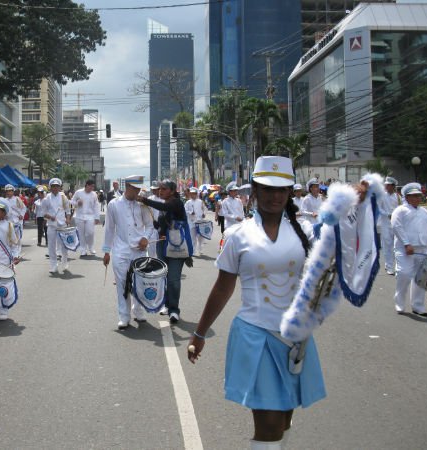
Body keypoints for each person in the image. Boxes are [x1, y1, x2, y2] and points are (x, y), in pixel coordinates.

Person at [187, 156, 324, 450]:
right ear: (255, 191)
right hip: (256, 337)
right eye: (268, 189)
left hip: (295, 339)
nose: (275, 196)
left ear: (289, 193)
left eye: (281, 189)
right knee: (269, 423)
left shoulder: (305, 232)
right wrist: (199, 333)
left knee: (284, 418)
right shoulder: (237, 235)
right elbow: (223, 287)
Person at [102, 175, 154, 329]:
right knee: (122, 284)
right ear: (127, 187)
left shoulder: (142, 204)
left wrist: (145, 237)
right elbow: (109, 229)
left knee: (139, 282)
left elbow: (150, 225)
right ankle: (124, 316)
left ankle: (138, 310)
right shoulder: (114, 204)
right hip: (121, 250)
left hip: (139, 250)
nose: (137, 192)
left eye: (139, 189)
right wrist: (106, 251)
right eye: (135, 189)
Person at [139, 179, 190, 324]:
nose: (160, 191)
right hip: (162, 245)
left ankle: (174, 310)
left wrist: (144, 200)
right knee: (164, 277)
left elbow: (165, 207)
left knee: (174, 280)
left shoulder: (176, 203)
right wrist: (158, 226)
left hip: (177, 247)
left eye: (164, 189)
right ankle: (167, 305)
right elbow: (162, 225)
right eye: (159, 188)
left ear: (172, 191)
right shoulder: (166, 204)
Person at [391, 182, 427, 317]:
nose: (417, 198)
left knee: (421, 278)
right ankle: (399, 303)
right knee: (404, 273)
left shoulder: (424, 212)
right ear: (407, 197)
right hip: (405, 248)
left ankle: (417, 306)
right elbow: (396, 227)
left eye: (418, 195)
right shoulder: (400, 210)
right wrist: (406, 243)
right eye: (414, 196)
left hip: (422, 248)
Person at [40, 178, 71, 273]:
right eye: (53, 186)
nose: (55, 188)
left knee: (64, 245)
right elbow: (43, 213)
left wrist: (68, 219)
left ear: (59, 187)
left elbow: (68, 210)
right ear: (50, 187)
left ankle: (64, 262)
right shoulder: (46, 198)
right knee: (51, 246)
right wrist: (50, 217)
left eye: (57, 186)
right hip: (51, 225)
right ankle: (53, 265)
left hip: (62, 224)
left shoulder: (63, 197)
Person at [379, 177, 402, 275]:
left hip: (396, 224)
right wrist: (387, 214)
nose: (386, 186)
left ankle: (394, 265)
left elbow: (401, 208)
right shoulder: (382, 196)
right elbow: (379, 209)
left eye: (388, 185)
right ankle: (389, 267)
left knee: (396, 245)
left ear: (393, 186)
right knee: (387, 245)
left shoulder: (398, 197)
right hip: (385, 223)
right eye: (386, 185)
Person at [71, 180, 101, 256]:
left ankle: (90, 247)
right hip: (79, 216)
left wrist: (97, 217)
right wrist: (77, 203)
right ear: (87, 185)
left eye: (93, 186)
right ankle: (83, 249)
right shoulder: (78, 192)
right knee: (81, 234)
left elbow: (96, 206)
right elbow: (72, 201)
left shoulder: (94, 194)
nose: (92, 188)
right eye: (91, 186)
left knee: (90, 233)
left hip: (90, 216)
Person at [3, 184, 26, 257]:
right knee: (9, 238)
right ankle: (11, 253)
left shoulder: (17, 199)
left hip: (17, 222)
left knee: (18, 238)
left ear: (13, 191)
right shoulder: (4, 200)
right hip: (8, 222)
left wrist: (21, 215)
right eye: (7, 191)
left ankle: (17, 254)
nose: (9, 192)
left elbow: (24, 208)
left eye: (10, 191)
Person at [185, 187, 207, 256]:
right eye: (191, 193)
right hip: (191, 221)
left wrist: (204, 214)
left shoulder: (200, 202)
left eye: (194, 193)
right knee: (193, 237)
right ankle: (193, 251)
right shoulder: (188, 202)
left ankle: (200, 249)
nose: (193, 195)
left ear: (196, 194)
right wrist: (190, 212)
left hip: (200, 221)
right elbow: (185, 210)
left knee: (201, 236)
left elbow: (204, 209)